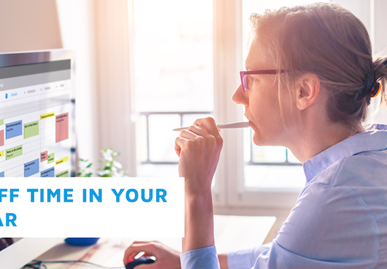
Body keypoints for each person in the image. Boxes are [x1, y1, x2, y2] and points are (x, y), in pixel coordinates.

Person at [123, 2, 387, 268]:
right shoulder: (368, 163)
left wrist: (197, 191)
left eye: (251, 79)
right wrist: (183, 261)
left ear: (304, 91)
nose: (238, 96)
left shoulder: (334, 196)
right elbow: (283, 253)